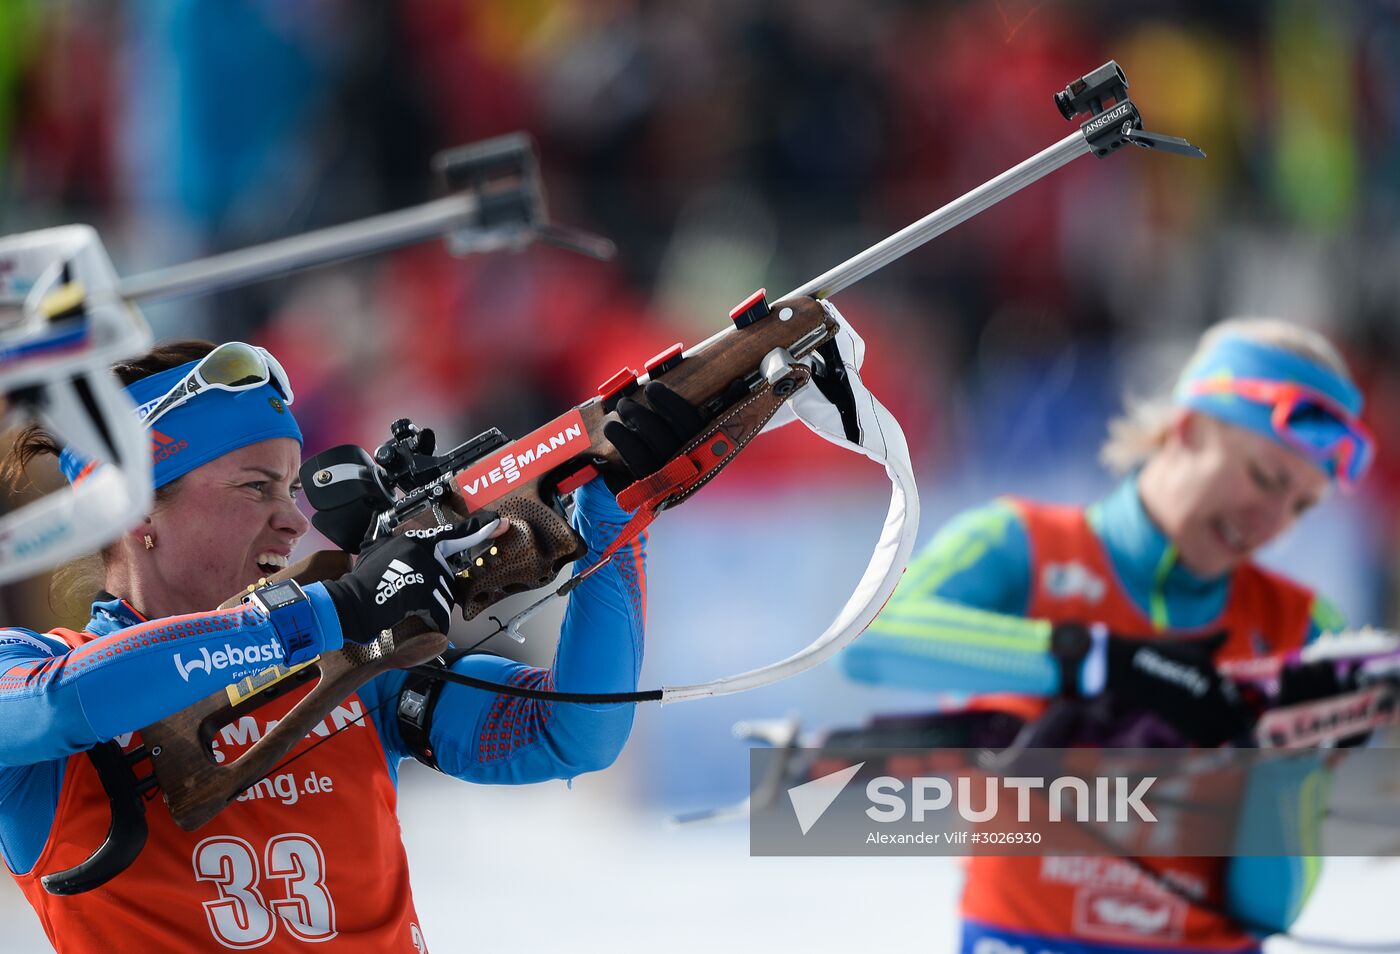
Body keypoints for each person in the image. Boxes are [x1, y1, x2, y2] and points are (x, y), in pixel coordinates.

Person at [0, 337, 702, 951]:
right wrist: (335, 608)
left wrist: (611, 515)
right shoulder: (31, 671)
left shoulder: (346, 664)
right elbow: (68, 703)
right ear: (137, 511)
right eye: (255, 489)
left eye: (291, 490)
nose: (289, 522)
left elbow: (573, 735)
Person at [843, 317, 1372, 954]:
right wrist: (1098, 662)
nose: (1274, 521)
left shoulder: (1302, 628)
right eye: (1265, 478)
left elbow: (1264, 911)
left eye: (1303, 505)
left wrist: (1282, 761)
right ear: (1189, 428)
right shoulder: (1023, 547)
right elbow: (865, 640)